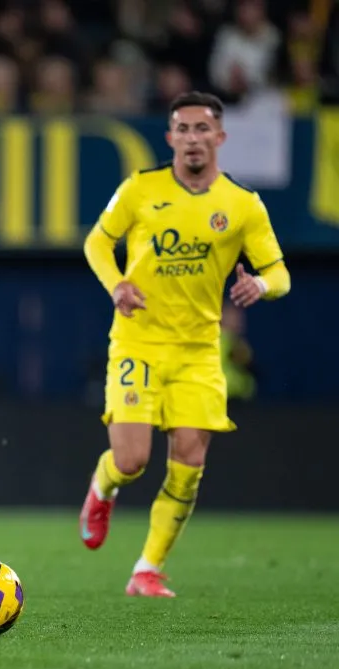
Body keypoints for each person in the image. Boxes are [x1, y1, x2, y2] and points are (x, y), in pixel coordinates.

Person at [79, 91, 291, 597]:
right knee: (130, 461)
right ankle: (101, 488)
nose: (192, 138)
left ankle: (147, 569)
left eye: (202, 129)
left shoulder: (241, 205)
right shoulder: (140, 189)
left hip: (199, 351)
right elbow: (97, 242)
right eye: (183, 129)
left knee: (190, 464)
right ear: (170, 136)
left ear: (220, 138)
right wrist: (117, 286)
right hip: (138, 342)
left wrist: (260, 285)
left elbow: (280, 272)